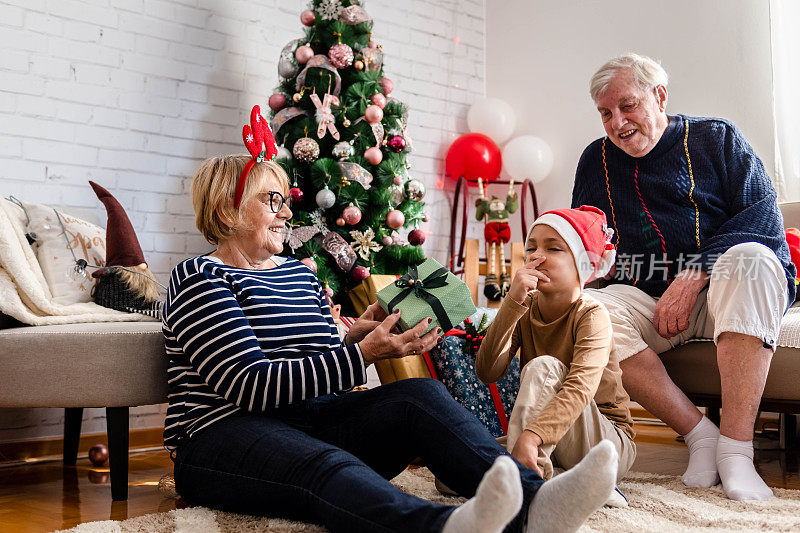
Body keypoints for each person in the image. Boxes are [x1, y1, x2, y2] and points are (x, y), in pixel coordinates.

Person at [162, 108, 621, 533]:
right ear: (227, 211)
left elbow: (322, 365)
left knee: (418, 395)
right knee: (328, 465)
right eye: (273, 199)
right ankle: (440, 527)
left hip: (311, 419)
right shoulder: (199, 277)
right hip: (221, 435)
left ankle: (537, 504)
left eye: (286, 198)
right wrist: (363, 354)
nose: (287, 211)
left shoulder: (297, 275)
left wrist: (358, 331)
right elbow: (251, 385)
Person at [572, 53, 796, 501]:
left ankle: (736, 452)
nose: (617, 123)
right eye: (605, 113)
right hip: (648, 297)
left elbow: (763, 216)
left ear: (660, 96)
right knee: (586, 311)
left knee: (748, 258)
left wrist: (694, 272)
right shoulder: (594, 161)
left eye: (628, 106)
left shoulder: (716, 139)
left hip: (727, 293)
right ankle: (701, 437)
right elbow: (589, 237)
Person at [476, 206, 636, 506]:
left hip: (605, 442)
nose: (538, 257)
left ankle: (533, 483)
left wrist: (531, 437)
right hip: (550, 435)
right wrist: (512, 301)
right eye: (531, 248)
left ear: (582, 264)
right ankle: (566, 480)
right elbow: (487, 371)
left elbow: (579, 389)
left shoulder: (592, 315)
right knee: (452, 471)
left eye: (553, 248)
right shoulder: (525, 308)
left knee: (543, 366)